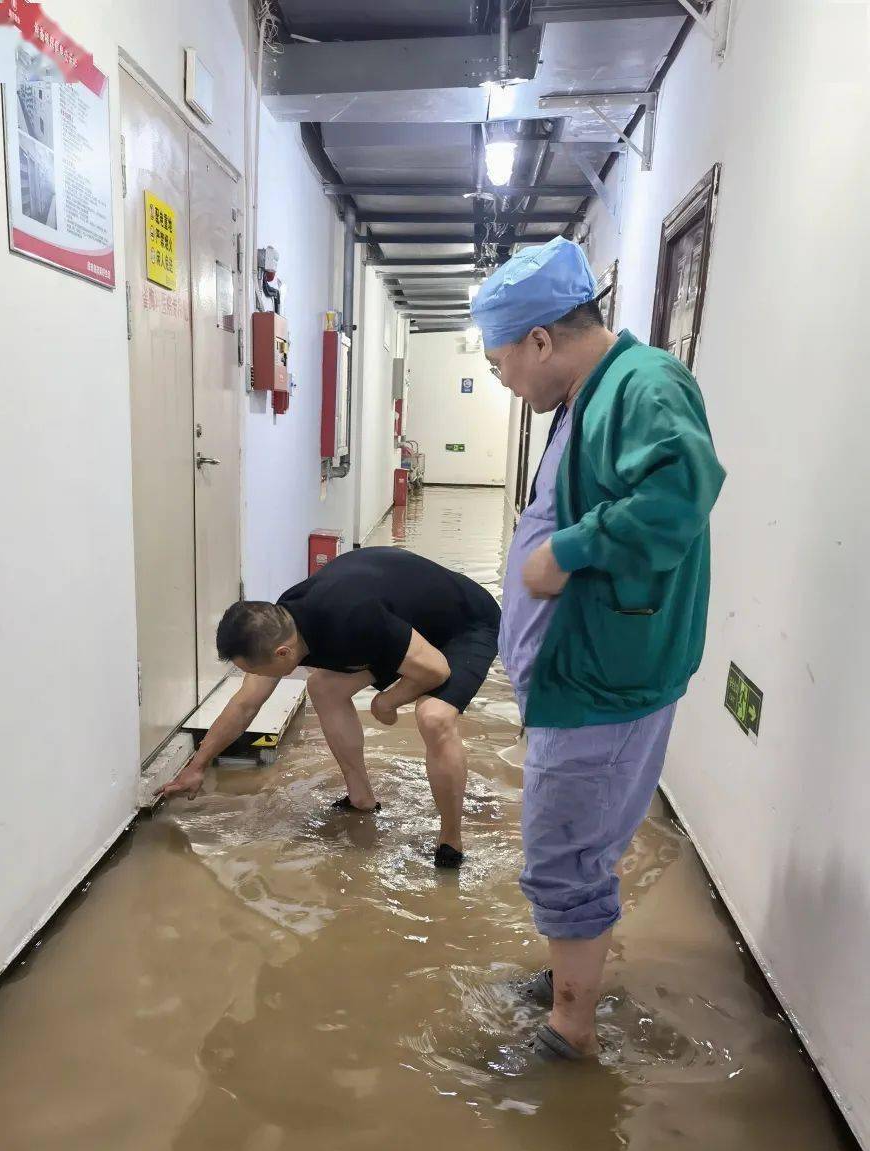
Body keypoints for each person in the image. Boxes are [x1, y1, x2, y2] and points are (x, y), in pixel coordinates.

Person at [472, 236, 725, 1062]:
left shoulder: (643, 384)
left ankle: (568, 1034)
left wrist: (566, 551)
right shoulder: (592, 395)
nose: (506, 382)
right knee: (583, 844)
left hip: (601, 684)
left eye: (502, 364)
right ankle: (571, 977)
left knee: (563, 857)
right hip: (583, 678)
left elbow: (679, 494)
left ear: (541, 340)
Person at [160, 547, 501, 866]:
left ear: (282, 654)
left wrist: (387, 701)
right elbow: (245, 704)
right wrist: (197, 765)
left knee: (434, 716)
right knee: (323, 687)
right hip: (402, 624)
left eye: (254, 671)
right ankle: (361, 798)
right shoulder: (281, 624)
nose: (254, 677)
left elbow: (436, 670)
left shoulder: (352, 619)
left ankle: (451, 841)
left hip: (464, 624)